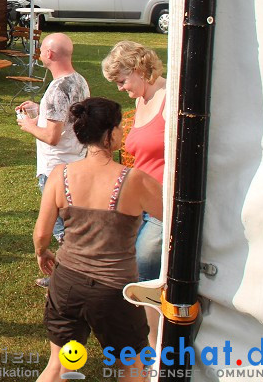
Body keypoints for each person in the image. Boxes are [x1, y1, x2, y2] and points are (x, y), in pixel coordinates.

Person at [33, 97, 162, 382]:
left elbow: (41, 233)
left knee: (59, 364)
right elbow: (175, 218)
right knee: (133, 365)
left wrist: (42, 253)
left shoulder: (60, 175)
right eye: (119, 127)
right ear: (110, 134)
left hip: (66, 283)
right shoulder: (134, 180)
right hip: (114, 290)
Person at [102, 40, 167, 349]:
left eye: (122, 80)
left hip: (162, 207)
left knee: (145, 269)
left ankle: (152, 345)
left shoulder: (171, 99)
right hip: (138, 203)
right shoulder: (142, 100)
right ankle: (145, 339)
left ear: (139, 69)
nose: (120, 88)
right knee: (135, 271)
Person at [16, 32, 90, 288]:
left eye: (41, 49)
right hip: (76, 163)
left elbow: (52, 137)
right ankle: (66, 276)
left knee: (62, 232)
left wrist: (28, 125)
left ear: (49, 54)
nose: (38, 52)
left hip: (56, 170)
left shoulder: (58, 88)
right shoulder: (78, 80)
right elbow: (68, 123)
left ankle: (72, 280)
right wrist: (40, 112)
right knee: (73, 228)